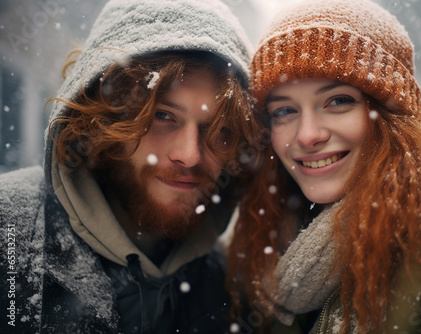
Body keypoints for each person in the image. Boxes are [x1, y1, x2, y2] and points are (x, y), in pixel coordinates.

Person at [227, 0, 421, 333]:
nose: (308, 135)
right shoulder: (262, 241)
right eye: (285, 111)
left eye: (338, 101)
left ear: (391, 118)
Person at [0, 0, 261, 332]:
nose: (190, 155)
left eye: (220, 130)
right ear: (105, 118)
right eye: (162, 116)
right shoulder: (8, 232)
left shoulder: (226, 289)